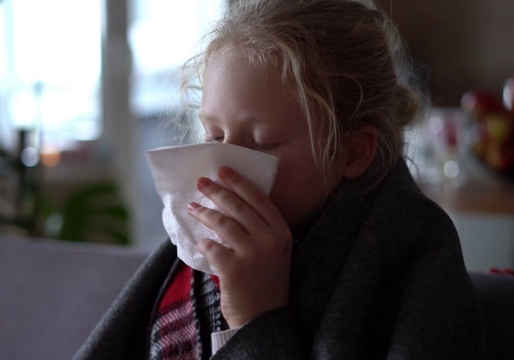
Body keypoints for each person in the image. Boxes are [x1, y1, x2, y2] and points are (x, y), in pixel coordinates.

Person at [73, 0, 485, 359]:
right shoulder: (197, 247)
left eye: (261, 143)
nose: (223, 168)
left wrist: (254, 319)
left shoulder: (418, 266)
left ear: (354, 151)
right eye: (214, 135)